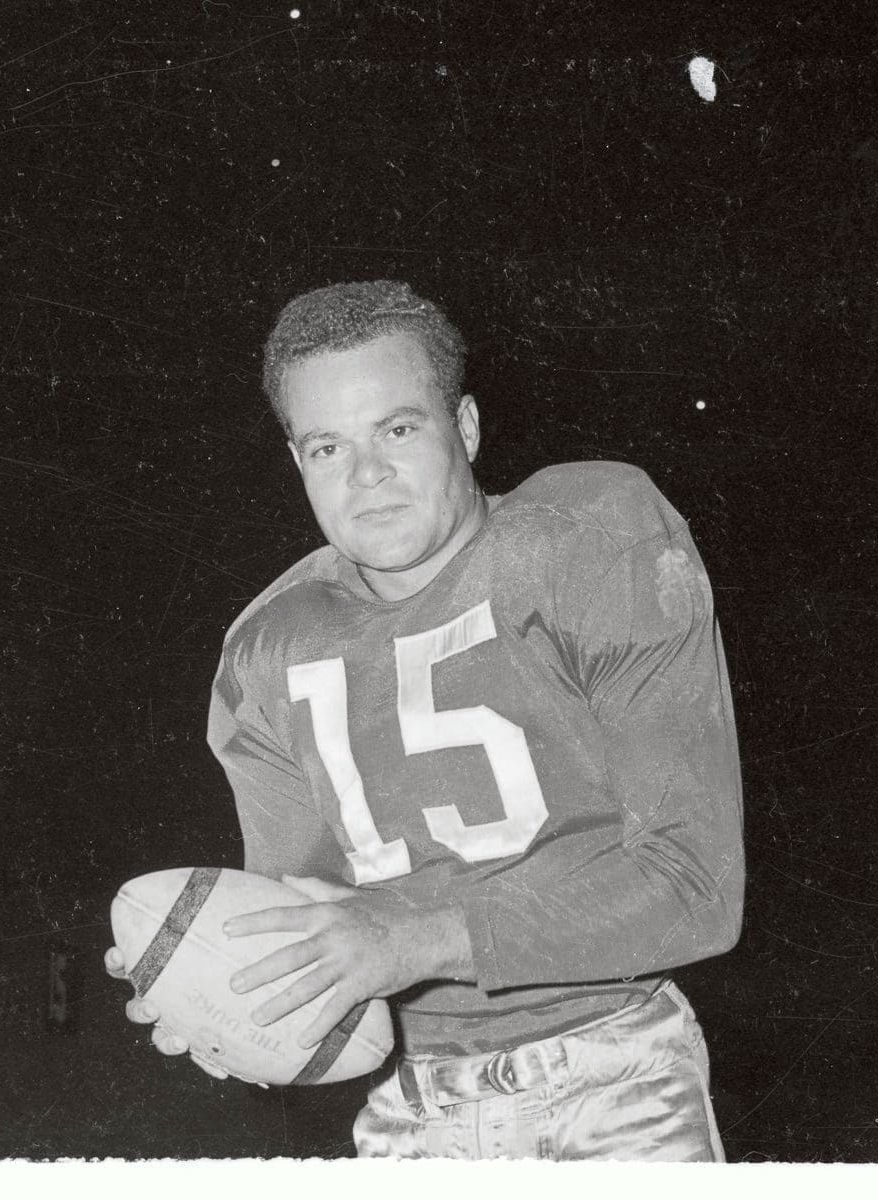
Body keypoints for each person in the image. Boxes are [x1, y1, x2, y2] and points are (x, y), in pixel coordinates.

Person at [108, 279, 744, 1160]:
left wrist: (418, 937)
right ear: (297, 461)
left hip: (614, 1078)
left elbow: (696, 888)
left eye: (398, 429)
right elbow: (317, 924)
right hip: (411, 1110)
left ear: (468, 429)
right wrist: (235, 990)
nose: (367, 475)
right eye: (328, 446)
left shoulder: (595, 543)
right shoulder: (264, 653)